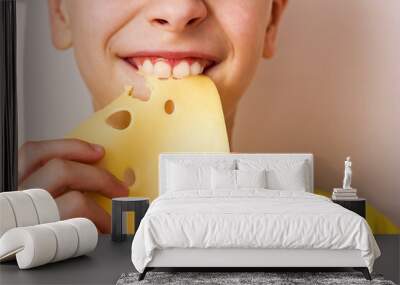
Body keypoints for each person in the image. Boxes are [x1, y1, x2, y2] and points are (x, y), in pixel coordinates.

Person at [18, 0, 288, 233]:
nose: (178, 10)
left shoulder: (320, 236)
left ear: (271, 21)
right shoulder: (15, 224)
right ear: (61, 11)